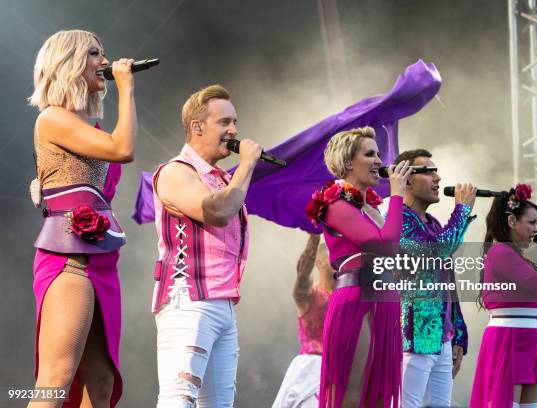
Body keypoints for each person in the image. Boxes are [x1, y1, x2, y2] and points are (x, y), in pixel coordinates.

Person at [28, 29, 137, 407]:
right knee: (56, 380)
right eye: (94, 54)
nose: (105, 63)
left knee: (101, 384)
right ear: (67, 62)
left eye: (103, 54)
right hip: (68, 259)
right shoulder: (52, 118)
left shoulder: (88, 127)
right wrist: (126, 89)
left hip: (102, 259)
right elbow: (123, 149)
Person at [152, 85, 261, 407]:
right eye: (225, 122)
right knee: (178, 399)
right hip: (189, 299)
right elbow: (216, 212)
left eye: (235, 122)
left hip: (222, 303)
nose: (234, 131)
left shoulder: (220, 178)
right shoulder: (175, 171)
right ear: (197, 127)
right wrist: (247, 165)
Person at [306, 126, 412, 407]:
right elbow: (384, 247)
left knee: (379, 397)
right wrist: (398, 194)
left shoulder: (371, 208)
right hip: (357, 302)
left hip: (385, 301)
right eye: (370, 154)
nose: (379, 160)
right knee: (350, 396)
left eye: (378, 153)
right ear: (348, 163)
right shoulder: (335, 203)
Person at [392, 149, 475, 408]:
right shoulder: (399, 221)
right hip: (416, 334)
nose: (438, 178)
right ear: (406, 179)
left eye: (436, 170)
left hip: (442, 335)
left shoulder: (433, 223)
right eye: (428, 171)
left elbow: (449, 284)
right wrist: (461, 210)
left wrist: (459, 334)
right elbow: (435, 252)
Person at [470, 183, 537, 408]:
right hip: (508, 337)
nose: (535, 229)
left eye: (536, 223)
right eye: (531, 222)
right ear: (512, 221)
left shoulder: (518, 257)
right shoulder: (500, 251)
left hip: (530, 335)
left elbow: (536, 293)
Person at [272, 234, 335, 408]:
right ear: (320, 263)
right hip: (310, 371)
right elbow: (302, 275)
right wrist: (314, 237)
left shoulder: (351, 299)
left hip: (340, 373)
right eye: (333, 255)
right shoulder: (309, 297)